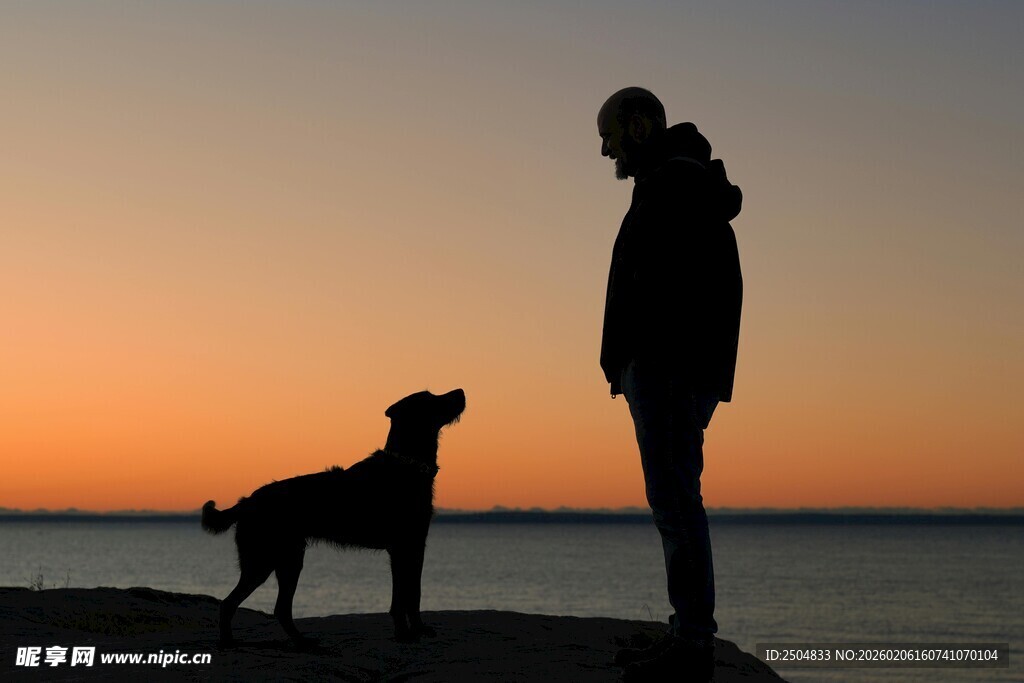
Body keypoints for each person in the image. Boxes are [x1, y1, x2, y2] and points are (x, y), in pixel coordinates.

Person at [597, 87, 742, 681]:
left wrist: (652, 361)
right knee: (674, 499)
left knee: (676, 500)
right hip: (666, 369)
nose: (606, 151)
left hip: (668, 369)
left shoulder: (677, 184)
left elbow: (684, 288)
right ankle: (687, 634)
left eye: (609, 136)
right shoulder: (670, 181)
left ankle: (692, 643)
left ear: (638, 124)